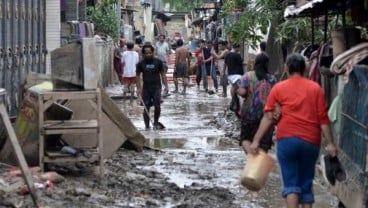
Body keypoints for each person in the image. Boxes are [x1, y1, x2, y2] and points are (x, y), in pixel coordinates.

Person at [249, 53, 338, 208]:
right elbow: (323, 119)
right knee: (306, 184)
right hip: (311, 141)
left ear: (286, 68)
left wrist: (256, 140)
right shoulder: (315, 88)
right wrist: (330, 144)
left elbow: (268, 117)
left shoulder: (278, 88)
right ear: (305, 69)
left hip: (287, 140)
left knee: (291, 184)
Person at [236, 53, 276, 154]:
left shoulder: (247, 76)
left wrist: (237, 89)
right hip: (267, 114)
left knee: (245, 139)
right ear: (267, 64)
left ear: (255, 63)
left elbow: (242, 92)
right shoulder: (272, 79)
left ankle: (252, 157)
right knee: (264, 142)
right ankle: (259, 161)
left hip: (249, 114)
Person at [136, 44, 168, 129]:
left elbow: (163, 74)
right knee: (146, 107)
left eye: (150, 53)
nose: (148, 55)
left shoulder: (158, 62)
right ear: (143, 54)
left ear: (153, 52)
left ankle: (156, 122)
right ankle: (147, 127)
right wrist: (138, 88)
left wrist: (166, 86)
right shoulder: (140, 64)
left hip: (157, 87)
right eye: (146, 53)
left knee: (157, 106)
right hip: (146, 88)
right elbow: (138, 76)